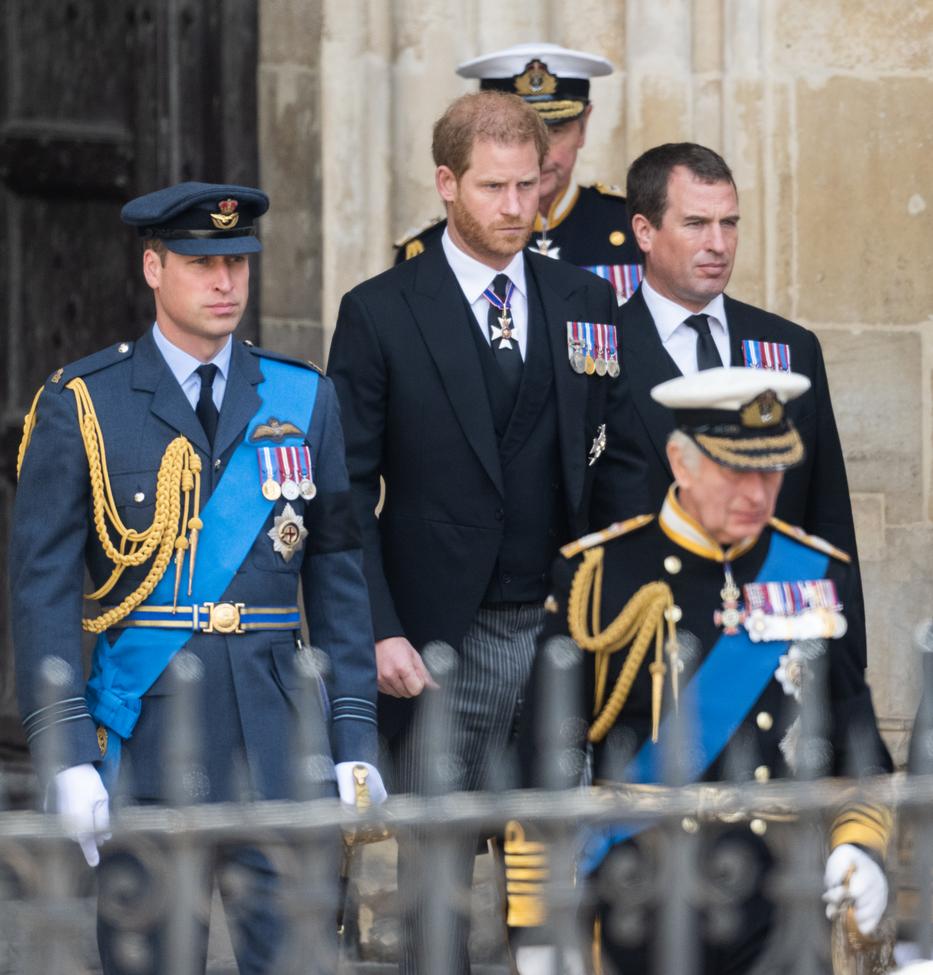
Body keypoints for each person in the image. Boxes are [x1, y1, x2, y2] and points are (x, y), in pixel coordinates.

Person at [10, 181, 384, 974]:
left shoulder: (302, 397)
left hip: (280, 743)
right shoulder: (85, 403)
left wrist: (355, 736)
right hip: (147, 741)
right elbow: (41, 591)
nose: (225, 282)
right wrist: (65, 750)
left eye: (238, 263)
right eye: (201, 262)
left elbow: (339, 574)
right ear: (153, 267)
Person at [328, 90, 646, 974]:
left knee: (551, 870)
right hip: (435, 635)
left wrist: (612, 601)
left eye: (530, 186)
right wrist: (378, 628)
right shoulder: (381, 310)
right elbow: (346, 491)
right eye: (495, 188)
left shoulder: (584, 298)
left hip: (557, 625)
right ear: (446, 184)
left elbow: (618, 458)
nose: (518, 208)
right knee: (436, 876)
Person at [509, 367, 893, 975]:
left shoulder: (815, 573)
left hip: (784, 899)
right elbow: (542, 763)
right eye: (735, 471)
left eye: (770, 471)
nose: (757, 495)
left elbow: (858, 744)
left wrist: (858, 848)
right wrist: (538, 923)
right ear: (681, 463)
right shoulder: (600, 575)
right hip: (640, 891)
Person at [597, 141, 867, 667]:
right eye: (696, 224)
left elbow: (827, 516)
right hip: (646, 643)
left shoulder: (789, 348)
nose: (718, 244)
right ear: (645, 232)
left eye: (730, 223)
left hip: (771, 643)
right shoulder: (598, 352)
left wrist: (846, 661)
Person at [394, 42, 644, 306]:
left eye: (556, 131)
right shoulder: (428, 248)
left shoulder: (631, 227)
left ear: (583, 128)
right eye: (512, 139)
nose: (540, 154)